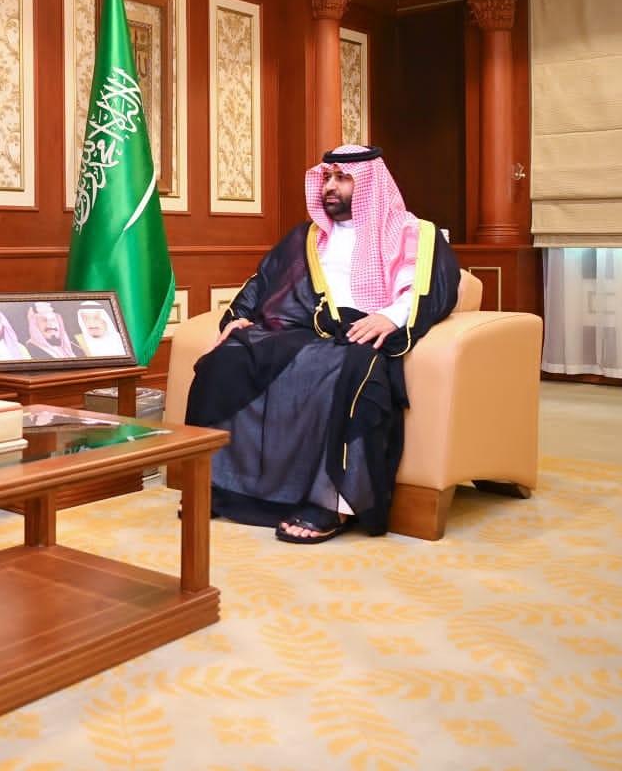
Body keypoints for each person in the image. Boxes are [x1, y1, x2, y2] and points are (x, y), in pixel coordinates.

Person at [184, 145, 460, 544]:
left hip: (361, 332)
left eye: (342, 178)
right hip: (300, 328)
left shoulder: (413, 233)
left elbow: (432, 287)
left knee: (352, 374)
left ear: (369, 184)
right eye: (327, 177)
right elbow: (263, 281)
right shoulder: (306, 236)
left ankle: (332, 502)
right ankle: (221, 487)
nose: (330, 186)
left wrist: (390, 316)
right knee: (226, 360)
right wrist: (237, 317)